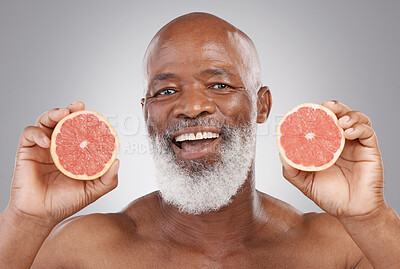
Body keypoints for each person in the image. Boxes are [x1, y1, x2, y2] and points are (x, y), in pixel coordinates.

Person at [0, 12, 399, 268]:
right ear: (145, 112)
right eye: (166, 91)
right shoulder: (83, 253)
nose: (191, 107)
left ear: (261, 106)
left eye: (220, 84)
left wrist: (371, 219)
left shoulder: (339, 250)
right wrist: (26, 220)